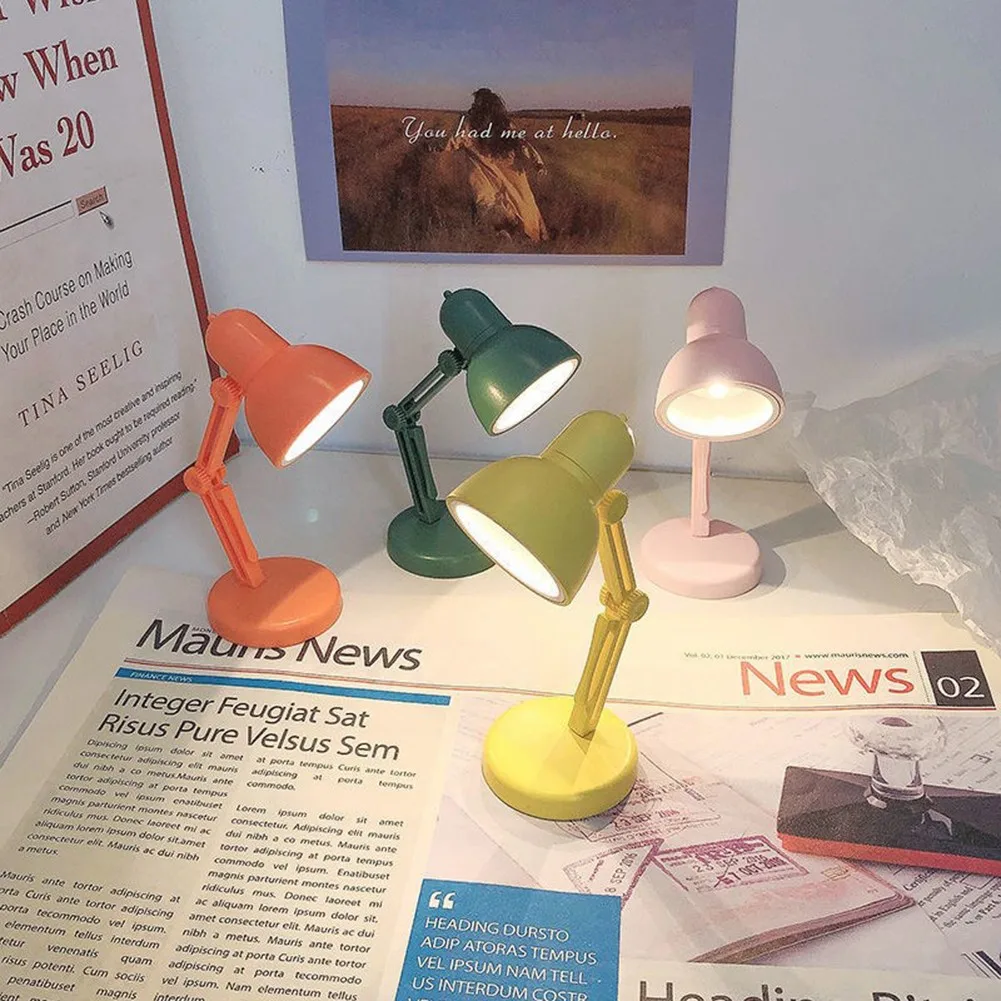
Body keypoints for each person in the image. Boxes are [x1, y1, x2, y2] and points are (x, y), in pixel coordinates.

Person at [444, 88, 549, 243]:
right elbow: (523, 145)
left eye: (476, 103)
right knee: (519, 204)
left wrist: (434, 145)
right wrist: (537, 163)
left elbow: (452, 141)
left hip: (491, 174)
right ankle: (526, 238)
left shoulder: (469, 123)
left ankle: (513, 237)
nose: (473, 106)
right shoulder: (504, 124)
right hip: (503, 172)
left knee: (493, 204)